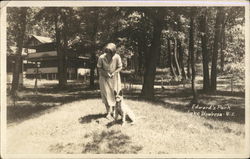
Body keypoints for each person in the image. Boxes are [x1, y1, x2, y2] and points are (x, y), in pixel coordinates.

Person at [97, 43, 122, 119]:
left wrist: (114, 73)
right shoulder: (101, 57)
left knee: (115, 94)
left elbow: (120, 67)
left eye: (109, 52)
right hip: (104, 78)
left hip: (114, 78)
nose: (107, 54)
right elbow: (99, 68)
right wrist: (105, 73)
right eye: (106, 51)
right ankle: (108, 112)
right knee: (106, 94)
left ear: (113, 52)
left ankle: (114, 112)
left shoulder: (117, 57)